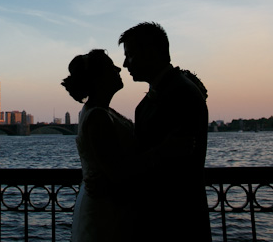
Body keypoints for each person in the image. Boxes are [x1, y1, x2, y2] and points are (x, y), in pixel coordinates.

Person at [119, 22, 212, 241]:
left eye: (130, 55)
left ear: (151, 52)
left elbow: (177, 164)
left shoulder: (182, 94)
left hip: (177, 223)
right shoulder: (152, 100)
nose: (125, 63)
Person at [62, 49, 135, 242]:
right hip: (106, 208)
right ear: (99, 78)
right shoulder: (98, 117)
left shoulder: (99, 111)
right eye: (112, 67)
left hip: (103, 202)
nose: (119, 69)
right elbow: (118, 173)